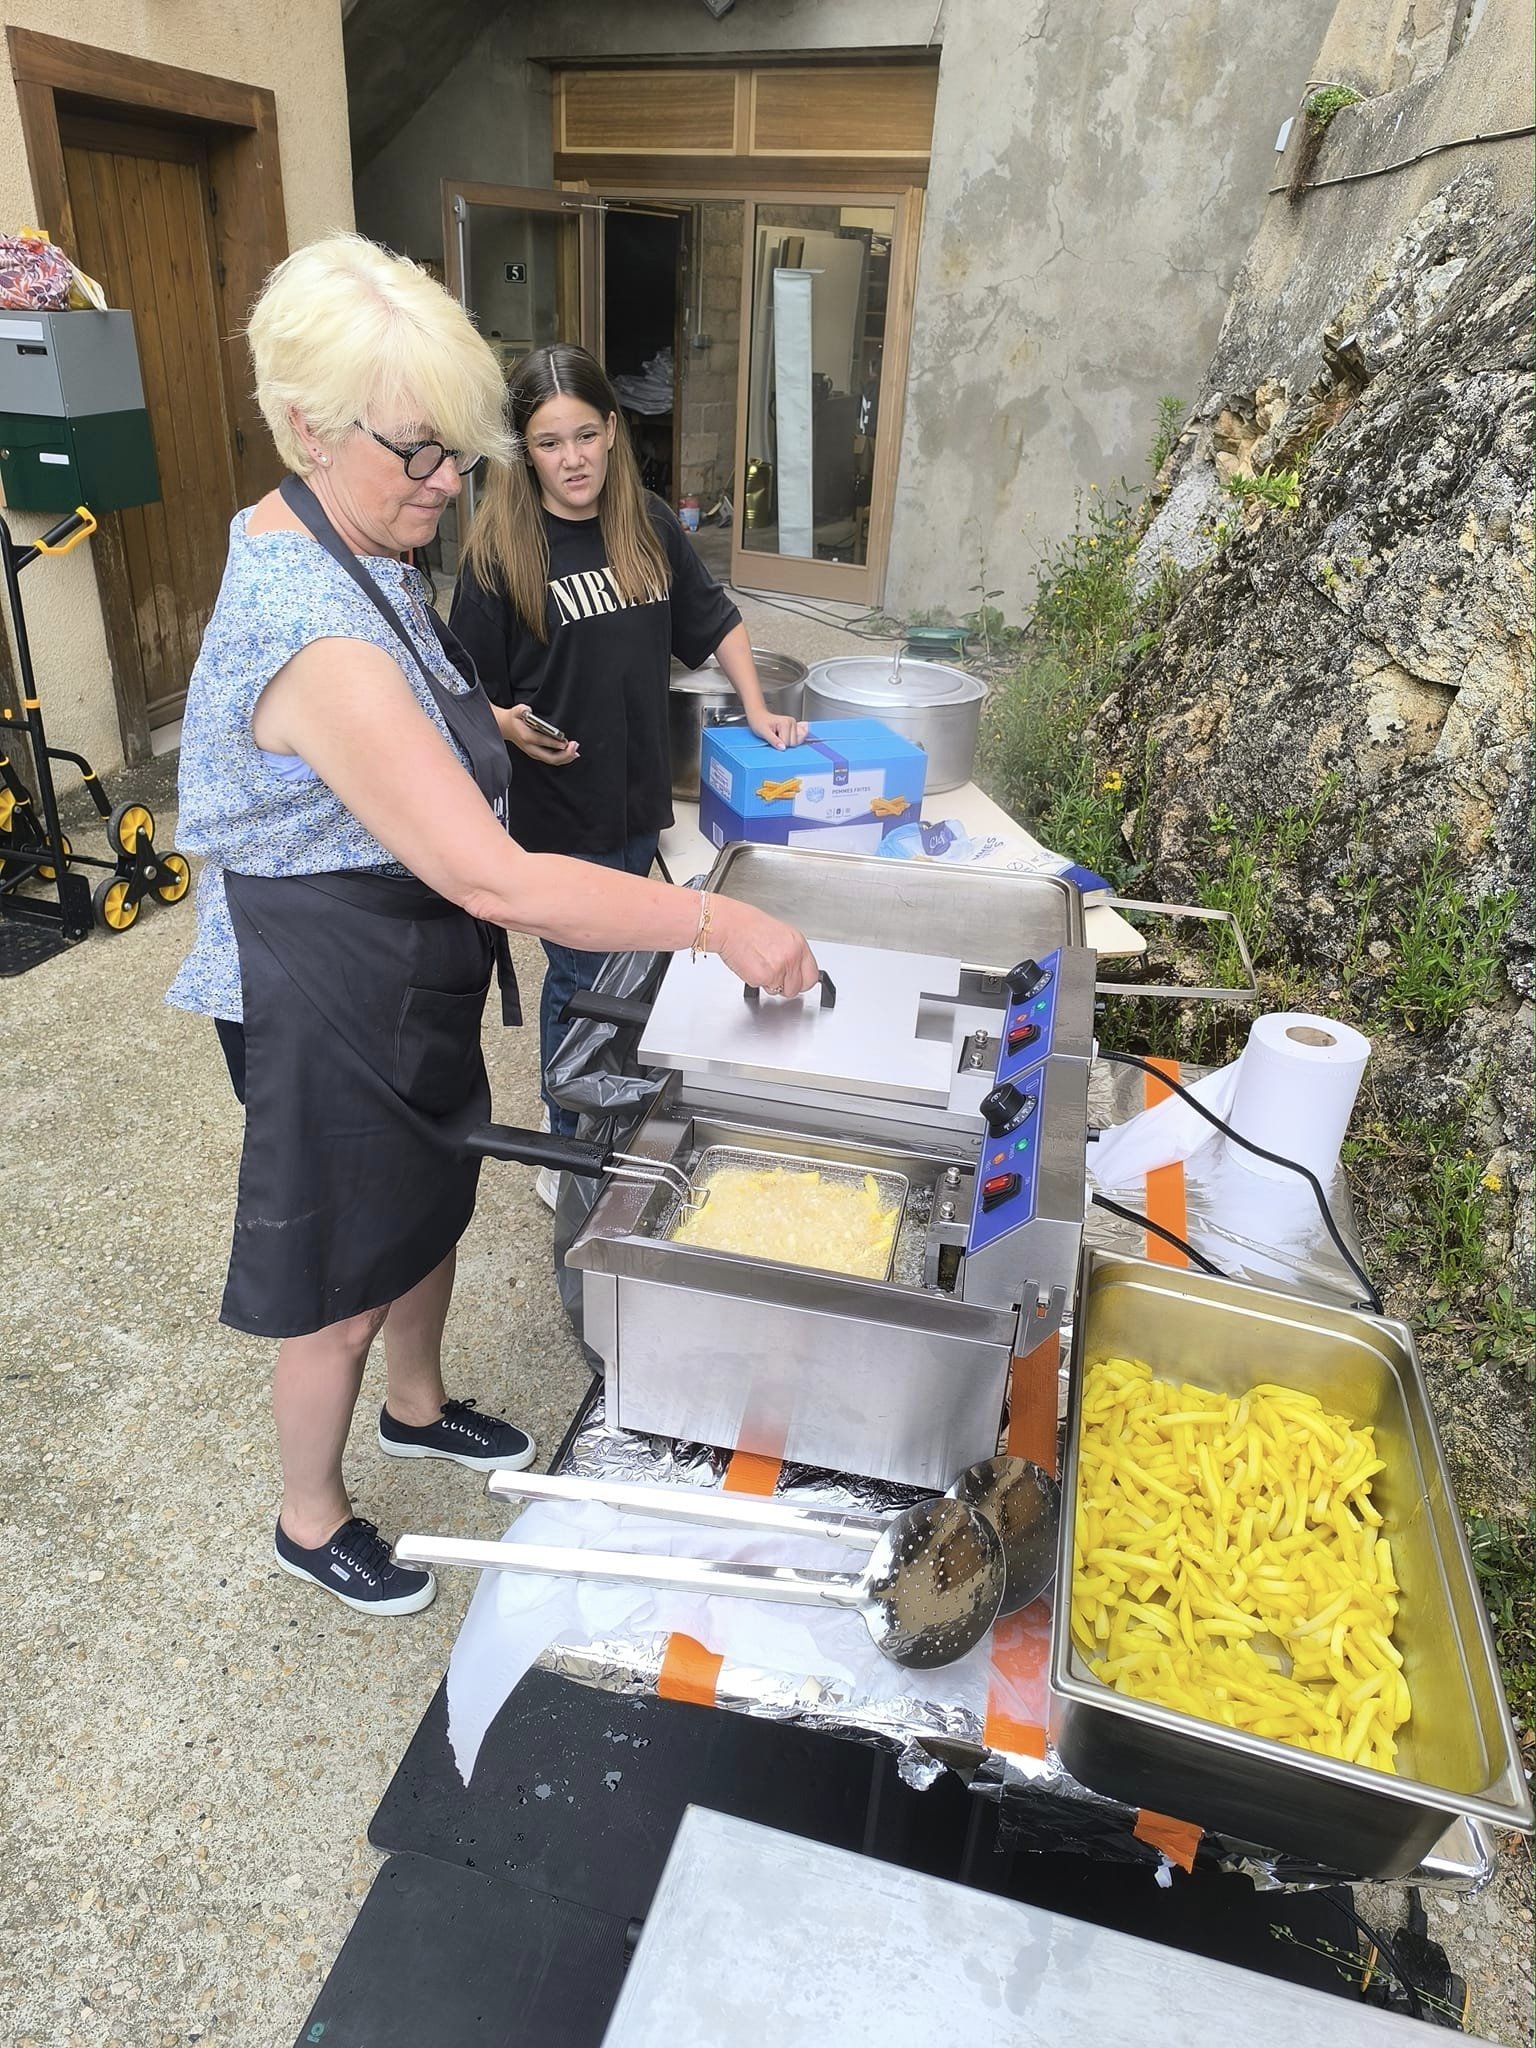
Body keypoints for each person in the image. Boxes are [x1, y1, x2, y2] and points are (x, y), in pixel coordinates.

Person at [167, 237, 818, 1618]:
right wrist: (711, 921)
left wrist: (489, 725)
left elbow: (429, 715)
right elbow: (502, 880)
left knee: (432, 1200)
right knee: (341, 1274)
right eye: (419, 453)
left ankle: (417, 1406)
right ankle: (309, 1513)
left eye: (459, 452)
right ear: (308, 427)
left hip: (401, 956)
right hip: (314, 980)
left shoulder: (352, 532)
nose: (448, 483)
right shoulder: (308, 624)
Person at [449, 344, 807, 1183]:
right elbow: (459, 694)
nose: (572, 458)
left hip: (637, 799)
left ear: (612, 430)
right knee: (582, 976)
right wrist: (508, 726)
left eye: (584, 435)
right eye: (549, 442)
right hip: (556, 815)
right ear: (524, 451)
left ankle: (592, 1118)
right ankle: (569, 1144)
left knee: (619, 969)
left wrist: (758, 707)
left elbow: (714, 619)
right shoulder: (500, 552)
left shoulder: (645, 521)